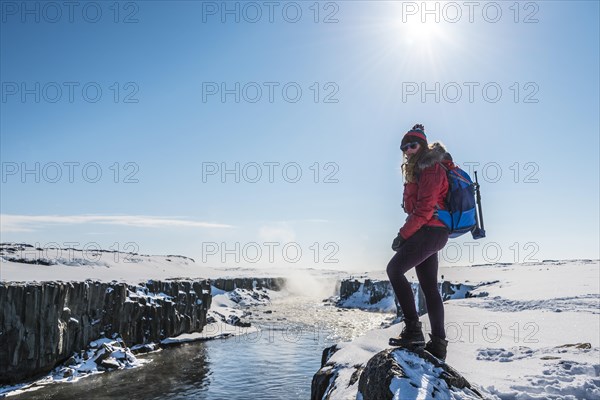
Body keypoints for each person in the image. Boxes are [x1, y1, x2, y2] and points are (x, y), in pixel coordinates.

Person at [387, 123, 453, 360]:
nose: (407, 150)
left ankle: (413, 330)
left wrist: (403, 235)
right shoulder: (418, 170)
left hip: (431, 230)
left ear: (422, 146)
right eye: (404, 147)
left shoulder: (431, 168)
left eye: (412, 145)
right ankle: (438, 345)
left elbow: (425, 209)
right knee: (429, 287)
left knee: (394, 269)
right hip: (427, 231)